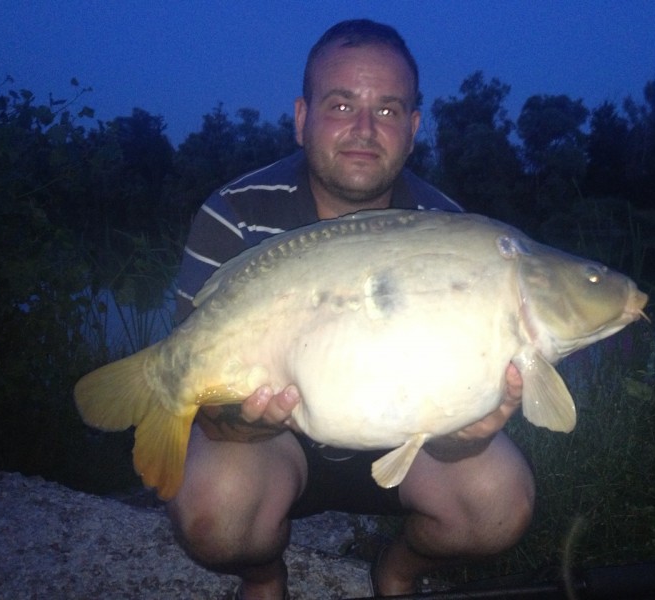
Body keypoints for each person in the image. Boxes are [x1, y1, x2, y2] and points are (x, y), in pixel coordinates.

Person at [168, 19, 534, 599]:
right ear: (301, 117)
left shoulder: (451, 234)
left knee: (498, 504)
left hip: (405, 441)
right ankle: (263, 574)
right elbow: (197, 394)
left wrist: (465, 435)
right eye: (341, 105)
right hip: (273, 446)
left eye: (389, 111)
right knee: (217, 518)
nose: (365, 129)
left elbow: (451, 413)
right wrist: (237, 419)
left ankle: (399, 569)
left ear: (413, 129)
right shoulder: (234, 214)